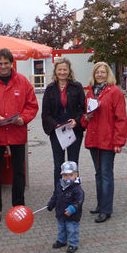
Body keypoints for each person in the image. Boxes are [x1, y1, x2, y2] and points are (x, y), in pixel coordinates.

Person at [0, 48, 39, 223]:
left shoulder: (23, 82)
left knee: (19, 173)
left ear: (12, 63)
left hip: (17, 133)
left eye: (6, 63)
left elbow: (32, 105)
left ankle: (19, 206)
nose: (3, 66)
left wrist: (23, 118)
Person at [81, 62, 127, 223]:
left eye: (103, 72)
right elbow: (84, 117)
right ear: (93, 75)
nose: (100, 75)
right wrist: (85, 118)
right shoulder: (90, 93)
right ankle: (100, 205)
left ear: (108, 74)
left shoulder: (114, 92)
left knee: (106, 174)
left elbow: (121, 119)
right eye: (97, 73)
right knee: (98, 173)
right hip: (94, 139)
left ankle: (106, 209)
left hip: (107, 140)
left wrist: (118, 142)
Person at [41, 57, 86, 189]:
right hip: (57, 132)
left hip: (74, 130)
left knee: (73, 164)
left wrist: (76, 121)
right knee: (58, 165)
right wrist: (55, 125)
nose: (62, 72)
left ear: (69, 71)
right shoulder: (50, 89)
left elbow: (83, 109)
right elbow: (45, 113)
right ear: (55, 71)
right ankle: (59, 194)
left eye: (64, 69)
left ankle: (74, 193)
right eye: (59, 69)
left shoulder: (76, 87)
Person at [47, 161, 85, 253]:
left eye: (70, 175)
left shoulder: (77, 189)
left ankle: (73, 243)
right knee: (61, 228)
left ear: (76, 175)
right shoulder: (59, 185)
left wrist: (72, 209)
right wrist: (51, 204)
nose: (67, 178)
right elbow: (55, 196)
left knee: (72, 229)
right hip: (60, 213)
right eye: (65, 175)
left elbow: (79, 201)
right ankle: (62, 240)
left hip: (72, 215)